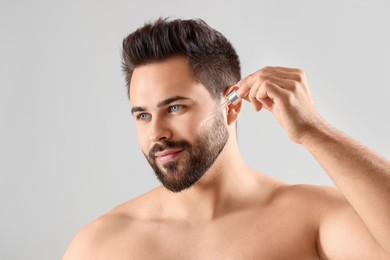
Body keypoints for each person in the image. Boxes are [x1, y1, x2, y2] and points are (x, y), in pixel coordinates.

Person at [63, 18, 390, 259]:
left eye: (175, 107)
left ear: (231, 105)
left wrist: (314, 131)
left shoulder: (310, 218)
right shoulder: (100, 245)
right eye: (143, 115)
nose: (156, 133)